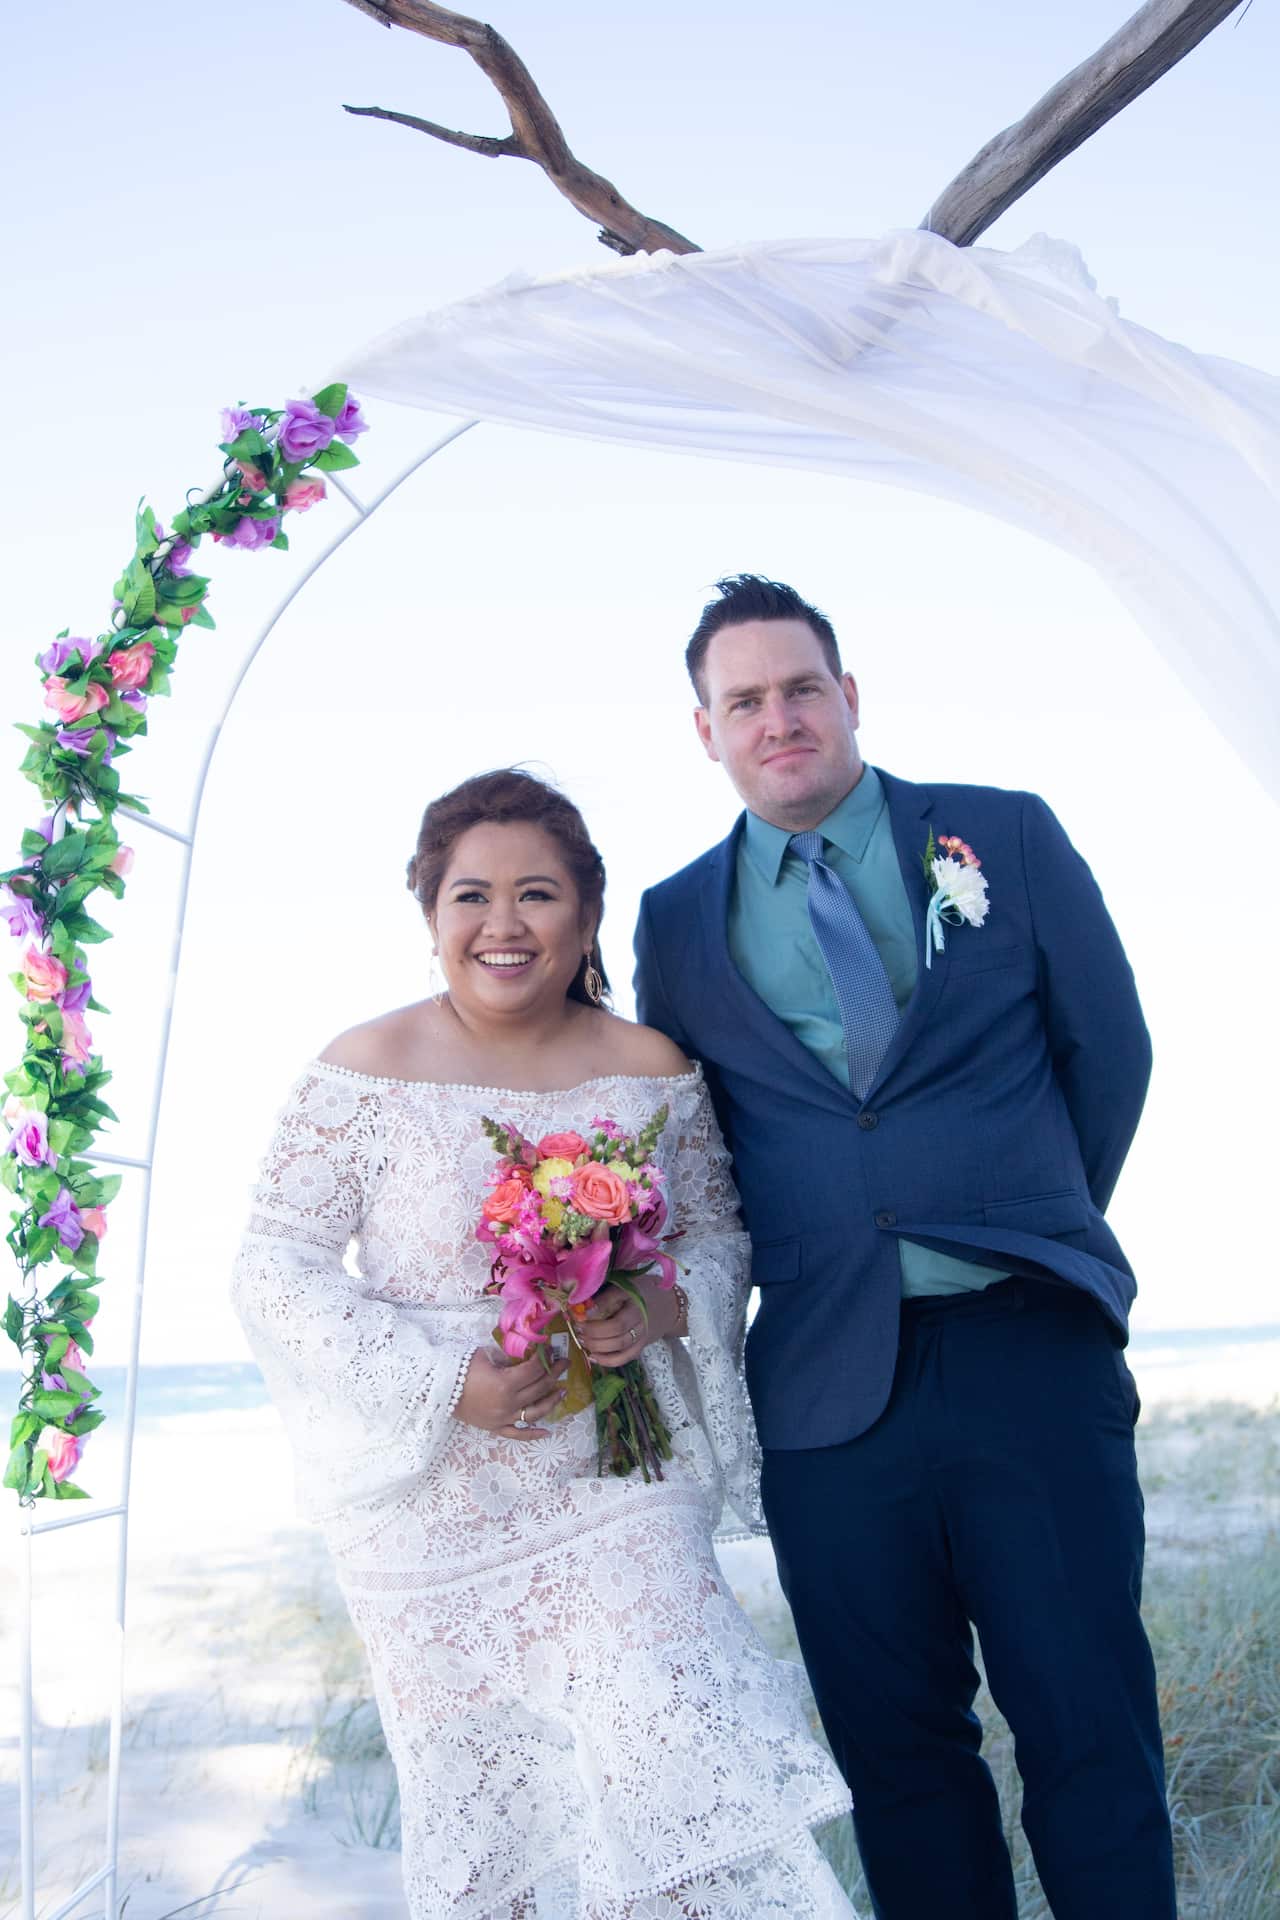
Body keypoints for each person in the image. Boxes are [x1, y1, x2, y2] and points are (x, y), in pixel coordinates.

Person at [633, 576, 1177, 1920]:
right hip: (826, 1397)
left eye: (800, 688)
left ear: (849, 696)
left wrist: (1020, 1215)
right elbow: (688, 1145)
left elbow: (1109, 1051)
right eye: (744, 701)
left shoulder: (1005, 835)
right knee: (900, 1764)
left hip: (1027, 1351)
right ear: (705, 731)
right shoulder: (675, 921)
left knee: (1089, 1727)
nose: (778, 718)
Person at [233, 767, 857, 1920]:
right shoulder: (365, 1067)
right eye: (471, 896)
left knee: (672, 1746)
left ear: (586, 913)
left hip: (620, 1472)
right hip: (433, 1504)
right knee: (492, 1823)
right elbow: (275, 1269)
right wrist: (443, 1383)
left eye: (536, 894)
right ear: (429, 914)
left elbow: (717, 1238)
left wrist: (656, 1308)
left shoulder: (650, 1068)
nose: (502, 924)